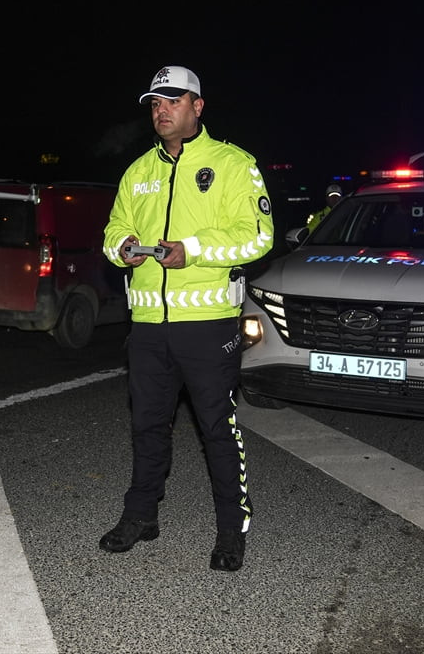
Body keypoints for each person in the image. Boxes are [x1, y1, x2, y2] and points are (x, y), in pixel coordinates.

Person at [100, 65, 274, 572]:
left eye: (172, 101)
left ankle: (231, 530)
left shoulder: (234, 164)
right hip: (149, 327)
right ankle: (141, 515)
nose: (161, 111)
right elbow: (114, 229)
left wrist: (191, 251)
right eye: (155, 104)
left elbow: (258, 236)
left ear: (197, 106)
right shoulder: (139, 172)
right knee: (147, 426)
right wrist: (124, 248)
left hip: (209, 324)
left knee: (217, 429)